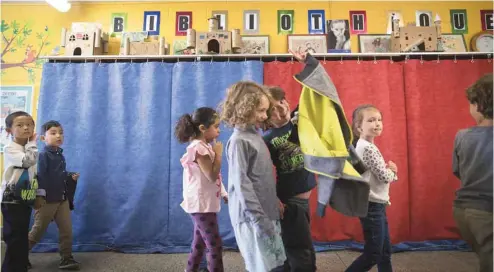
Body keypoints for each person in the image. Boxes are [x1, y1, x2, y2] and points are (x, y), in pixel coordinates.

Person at [220, 81, 286, 272]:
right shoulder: (239, 141)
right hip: (253, 219)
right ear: (244, 108)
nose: (265, 116)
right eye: (260, 110)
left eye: (266, 110)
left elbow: (261, 177)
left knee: (275, 265)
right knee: (264, 267)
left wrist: (273, 201)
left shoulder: (253, 135)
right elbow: (242, 185)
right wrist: (260, 221)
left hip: (264, 213)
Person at [263, 86, 317, 272]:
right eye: (274, 111)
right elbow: (263, 172)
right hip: (290, 199)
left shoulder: (299, 122)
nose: (282, 110)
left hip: (303, 199)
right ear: (266, 117)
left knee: (299, 245)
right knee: (300, 249)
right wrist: (274, 199)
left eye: (282, 103)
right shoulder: (268, 138)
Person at [175, 107, 228, 272]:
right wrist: (219, 154)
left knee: (199, 244)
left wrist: (224, 193)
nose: (218, 130)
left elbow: (215, 178)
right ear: (203, 128)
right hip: (201, 205)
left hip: (205, 203)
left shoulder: (204, 146)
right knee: (215, 246)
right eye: (216, 126)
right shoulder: (198, 148)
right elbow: (212, 175)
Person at [346, 104, 398, 272]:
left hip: (373, 204)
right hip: (372, 205)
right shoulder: (367, 148)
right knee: (374, 253)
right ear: (359, 127)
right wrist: (393, 171)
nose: (377, 124)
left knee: (384, 251)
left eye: (379, 120)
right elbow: (384, 177)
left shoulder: (363, 145)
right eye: (371, 120)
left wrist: (385, 170)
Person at [452, 74, 493, 272]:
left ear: (477, 106)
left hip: (464, 212)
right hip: (488, 213)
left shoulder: (462, 136)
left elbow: (458, 171)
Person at [28, 120, 80, 270]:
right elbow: (41, 178)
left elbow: (58, 176)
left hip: (61, 199)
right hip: (47, 201)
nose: (59, 136)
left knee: (66, 231)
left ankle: (66, 258)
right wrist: (40, 198)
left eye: (61, 133)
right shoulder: (43, 155)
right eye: (53, 133)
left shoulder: (60, 155)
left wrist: (70, 176)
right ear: (43, 138)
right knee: (37, 231)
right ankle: (18, 256)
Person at [1, 111, 46, 272]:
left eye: (29, 124)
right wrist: (33, 143)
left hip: (25, 197)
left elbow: (34, 175)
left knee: (21, 235)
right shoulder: (10, 148)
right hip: (11, 199)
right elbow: (29, 161)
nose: (26, 128)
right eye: (19, 125)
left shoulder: (29, 148)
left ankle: (21, 264)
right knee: (14, 237)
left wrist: (38, 195)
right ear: (9, 130)